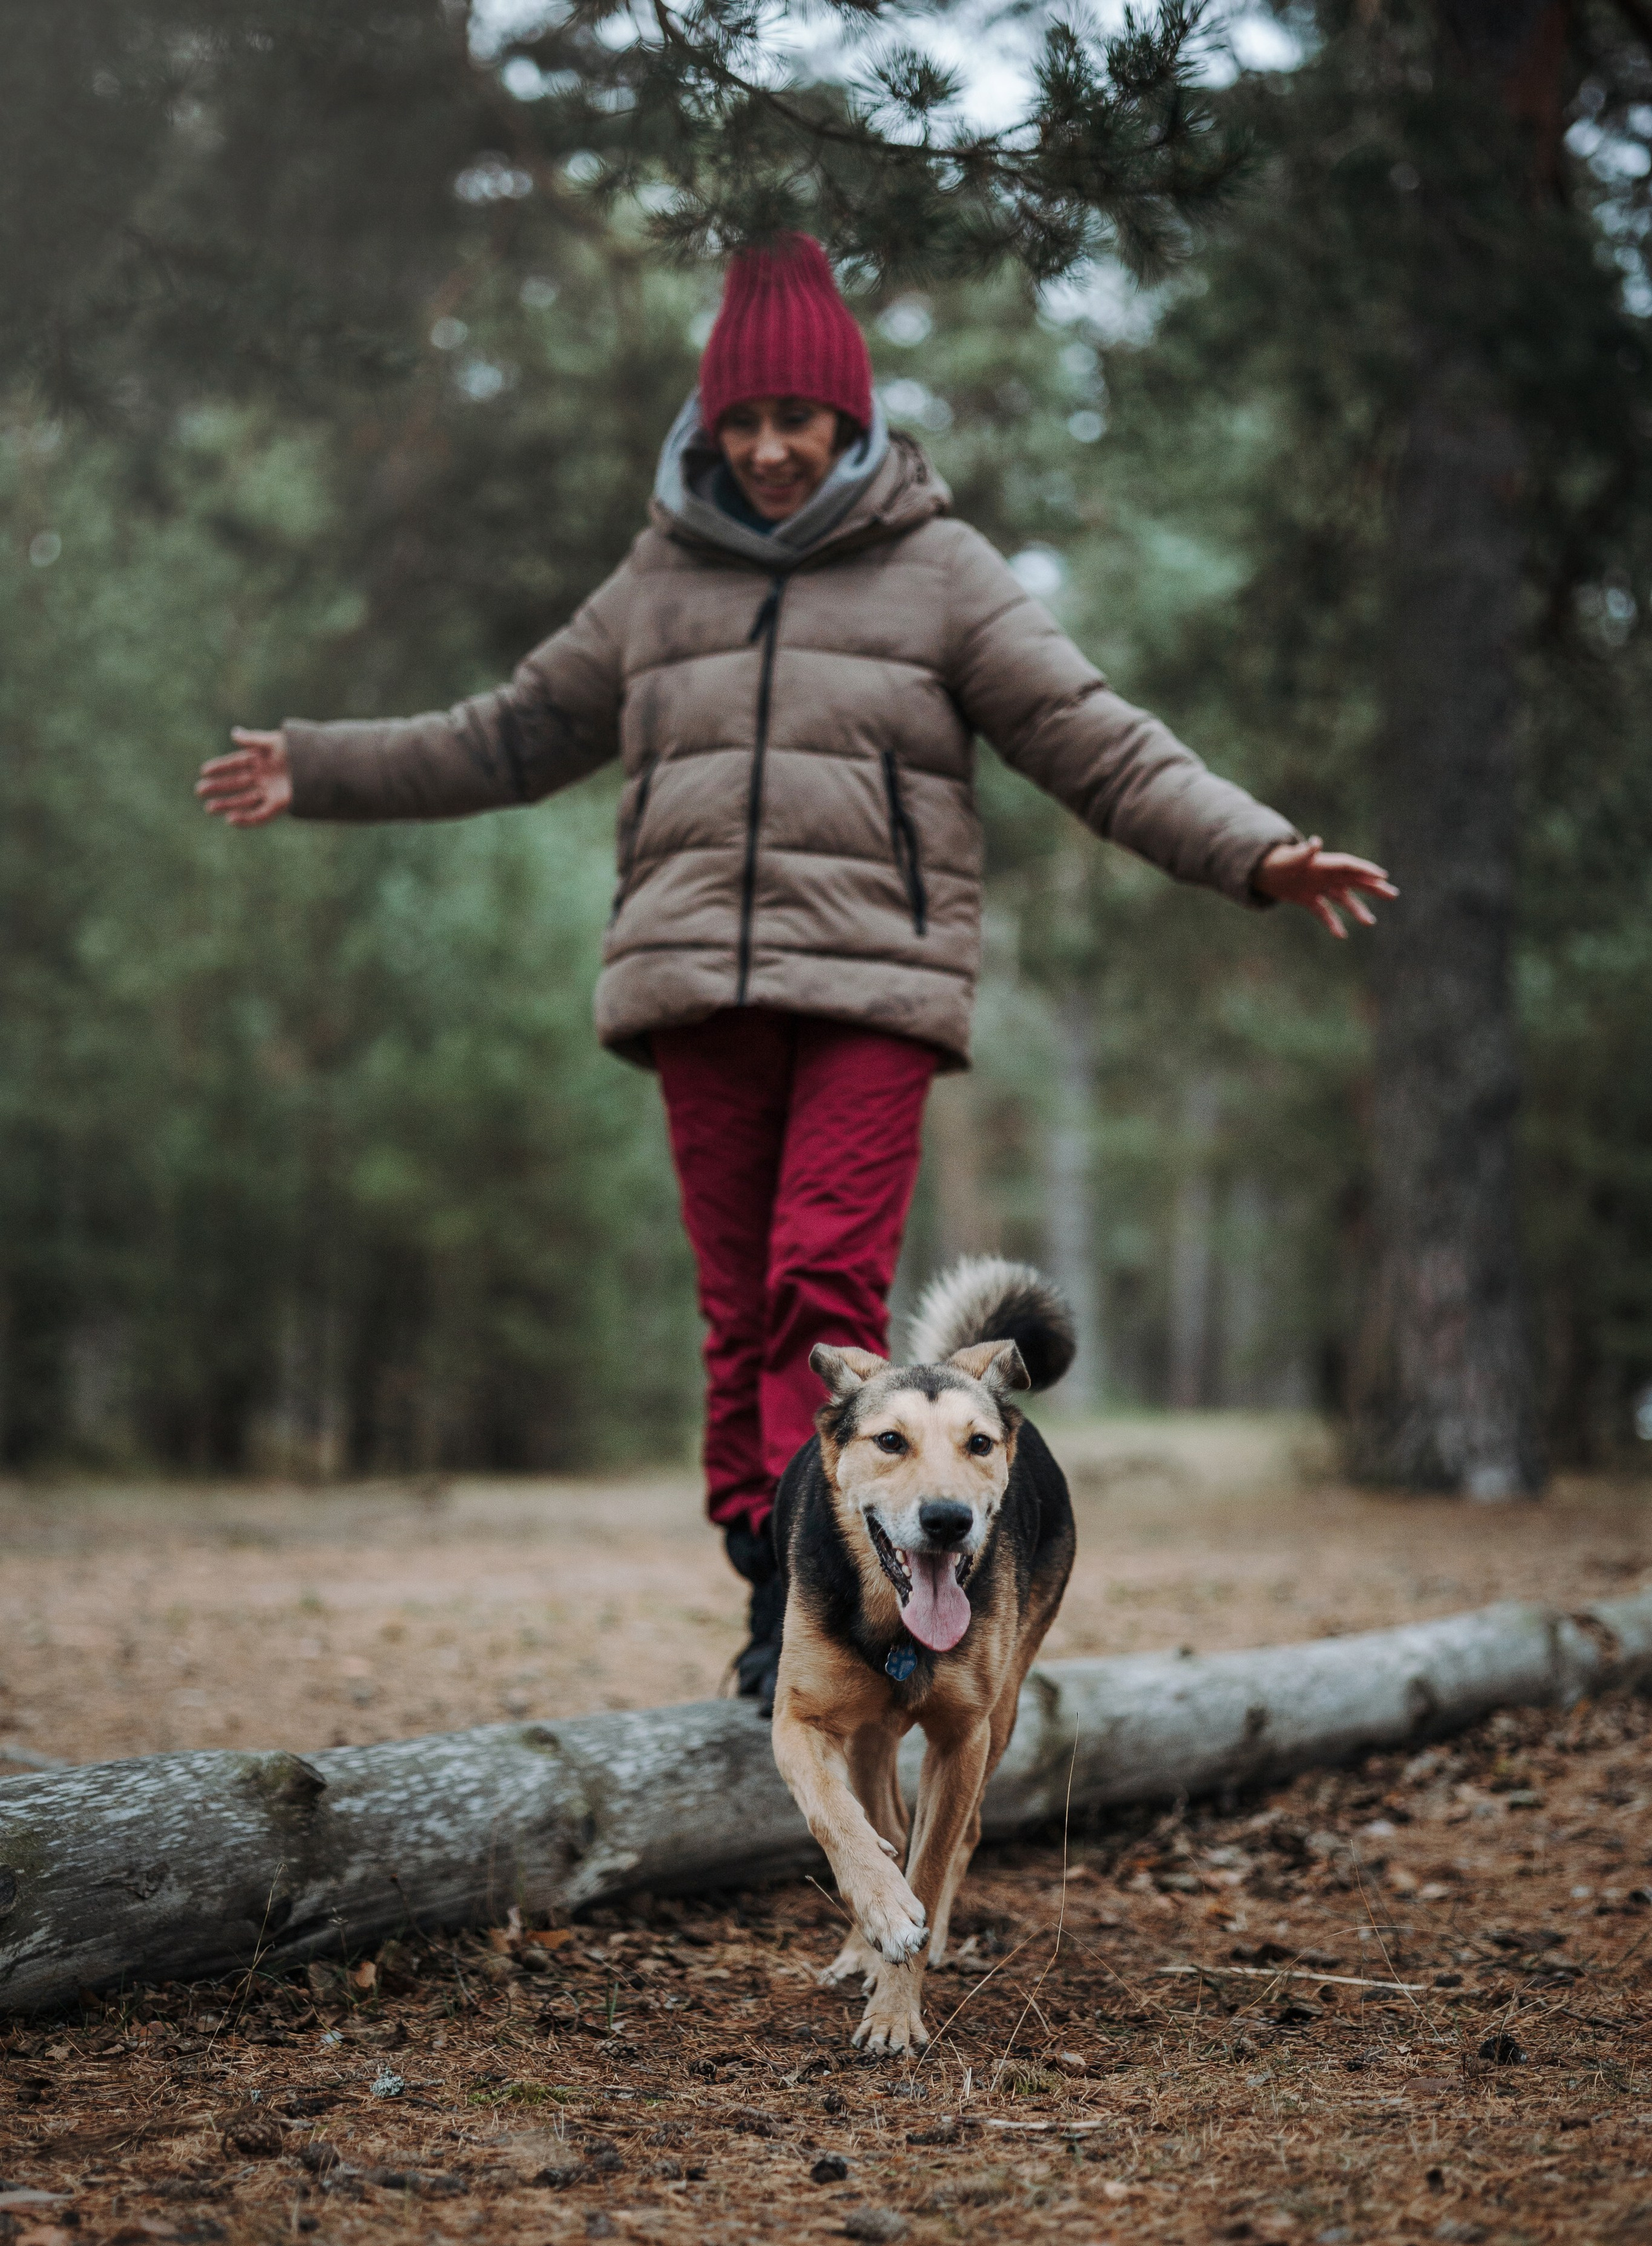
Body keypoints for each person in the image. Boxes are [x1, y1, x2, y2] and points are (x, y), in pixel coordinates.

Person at [196, 234, 1395, 1712]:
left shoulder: (939, 572)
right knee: (734, 1312)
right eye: (740, 423)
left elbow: (1094, 738)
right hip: (694, 985)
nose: (767, 449)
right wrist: (317, 768)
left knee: (815, 1283)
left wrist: (1256, 852)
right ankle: (778, 1572)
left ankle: (806, 1601)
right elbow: (504, 735)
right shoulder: (657, 579)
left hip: (872, 988)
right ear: (706, 428)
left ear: (852, 422)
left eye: (796, 421)